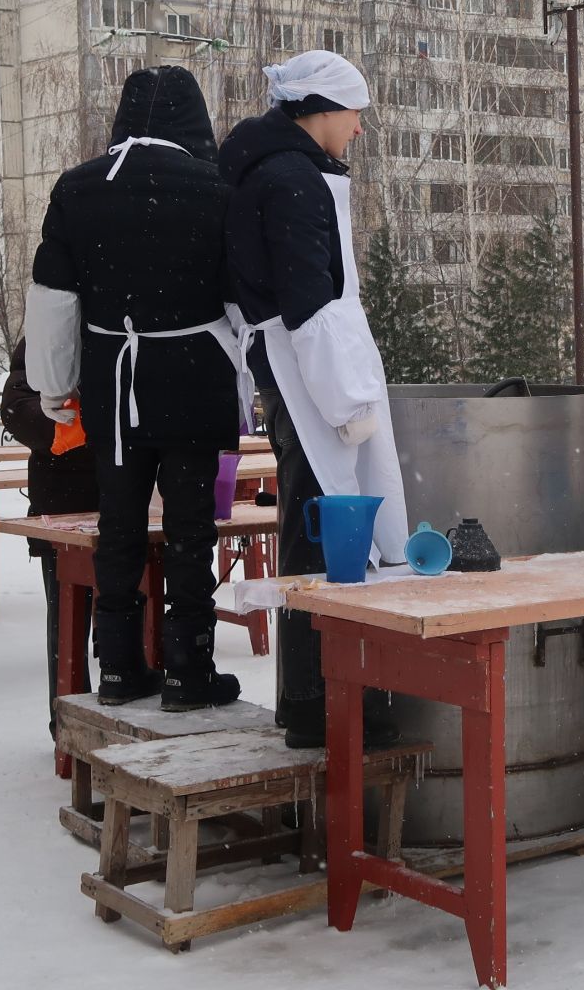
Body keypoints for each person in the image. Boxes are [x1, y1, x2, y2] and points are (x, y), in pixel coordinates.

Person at [26, 66, 248, 712]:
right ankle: (188, 669)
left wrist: (53, 383)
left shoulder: (77, 189)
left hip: (111, 380)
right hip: (194, 377)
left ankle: (119, 666)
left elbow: (52, 299)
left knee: (118, 527)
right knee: (189, 531)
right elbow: (240, 301)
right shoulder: (216, 189)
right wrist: (247, 383)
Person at [219, 51, 408, 749]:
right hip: (308, 369)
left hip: (298, 361)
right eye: (355, 114)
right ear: (322, 110)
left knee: (315, 522)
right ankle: (328, 706)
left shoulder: (279, 168)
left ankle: (319, 700)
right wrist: (349, 401)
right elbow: (307, 303)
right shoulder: (290, 179)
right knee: (330, 528)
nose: (359, 129)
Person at [0, 337, 100, 736]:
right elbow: (19, 410)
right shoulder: (46, 337)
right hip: (62, 510)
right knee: (68, 626)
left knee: (132, 617)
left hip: (133, 503)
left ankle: (128, 717)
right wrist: (86, 416)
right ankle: (69, 727)